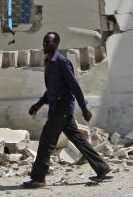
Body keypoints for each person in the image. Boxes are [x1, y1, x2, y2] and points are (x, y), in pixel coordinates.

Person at [21, 31, 111, 188]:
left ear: (56, 44)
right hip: (57, 107)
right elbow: (51, 89)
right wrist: (39, 104)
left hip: (62, 108)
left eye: (48, 42)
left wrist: (84, 108)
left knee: (46, 140)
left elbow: (74, 86)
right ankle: (102, 168)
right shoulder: (49, 61)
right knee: (78, 139)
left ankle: (39, 178)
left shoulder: (62, 62)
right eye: (44, 42)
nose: (45, 45)